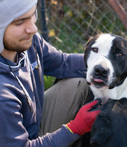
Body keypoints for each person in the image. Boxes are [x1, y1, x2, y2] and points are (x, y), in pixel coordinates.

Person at [0, 0, 100, 146]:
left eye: (32, 15)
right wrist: (76, 128)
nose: (33, 28)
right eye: (20, 22)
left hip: (33, 122)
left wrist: (108, 61)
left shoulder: (27, 42)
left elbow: (62, 62)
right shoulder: (3, 96)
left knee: (78, 83)